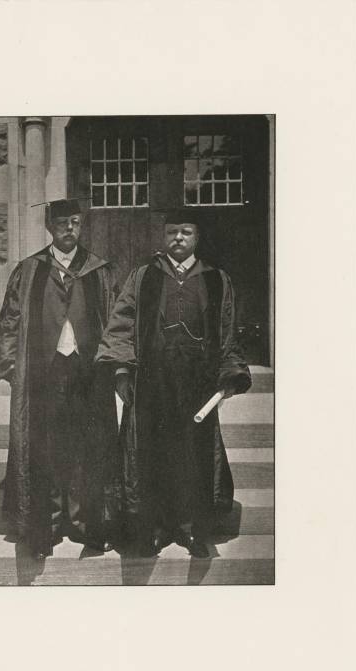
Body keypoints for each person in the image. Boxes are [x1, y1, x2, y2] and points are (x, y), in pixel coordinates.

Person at [95, 209, 251, 558]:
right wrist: (122, 371)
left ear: (196, 237)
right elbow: (121, 324)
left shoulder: (216, 279)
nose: (178, 239)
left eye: (185, 232)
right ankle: (154, 528)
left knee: (192, 458)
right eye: (171, 233)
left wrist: (229, 374)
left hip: (198, 386)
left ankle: (190, 529)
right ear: (163, 237)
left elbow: (226, 331)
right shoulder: (144, 277)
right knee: (151, 457)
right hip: (152, 383)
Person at [0, 198, 120, 559]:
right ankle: (46, 524)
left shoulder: (99, 271)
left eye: (75, 223)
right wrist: (8, 366)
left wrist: (118, 365)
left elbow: (115, 322)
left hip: (87, 373)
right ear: (50, 227)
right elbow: (11, 319)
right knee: (45, 448)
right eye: (63, 223)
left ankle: (82, 523)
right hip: (42, 373)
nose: (70, 229)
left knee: (86, 447)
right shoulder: (30, 270)